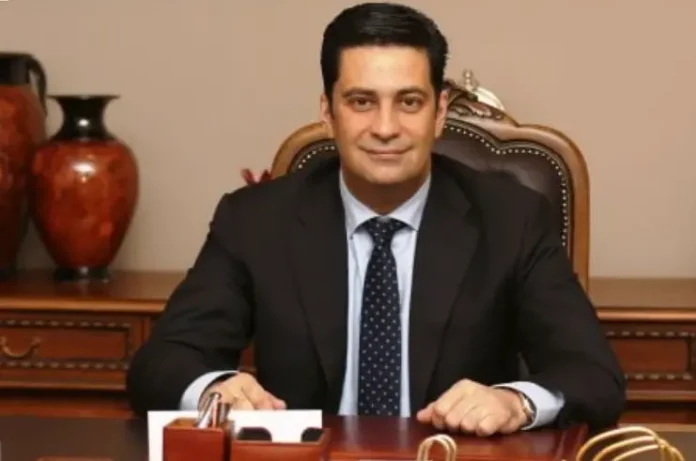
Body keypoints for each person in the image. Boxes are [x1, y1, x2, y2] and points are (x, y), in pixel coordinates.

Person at [126, 2, 625, 436]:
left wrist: (515, 402)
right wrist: (214, 389)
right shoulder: (255, 221)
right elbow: (161, 363)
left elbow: (594, 376)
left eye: (409, 102)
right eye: (361, 102)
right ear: (328, 113)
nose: (386, 128)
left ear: (439, 112)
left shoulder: (512, 220)